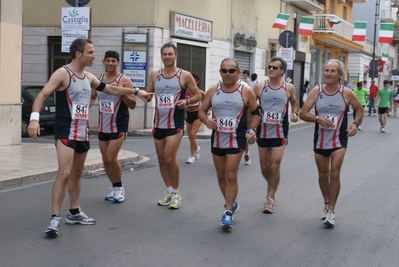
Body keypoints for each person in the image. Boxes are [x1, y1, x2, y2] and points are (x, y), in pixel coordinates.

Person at [27, 39, 141, 237]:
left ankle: (74, 212)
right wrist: (34, 120)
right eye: (90, 52)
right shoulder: (63, 73)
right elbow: (42, 95)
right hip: (65, 131)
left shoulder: (88, 77)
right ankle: (55, 218)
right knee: (64, 173)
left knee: (77, 173)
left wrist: (136, 91)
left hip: (82, 131)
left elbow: (111, 89)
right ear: (78, 54)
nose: (94, 56)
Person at [198, 58, 262, 229]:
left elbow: (257, 113)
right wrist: (206, 121)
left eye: (231, 71)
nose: (227, 74)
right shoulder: (213, 90)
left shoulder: (246, 91)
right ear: (220, 72)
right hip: (218, 138)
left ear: (238, 72)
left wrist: (253, 128)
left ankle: (227, 213)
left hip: (237, 138)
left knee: (231, 175)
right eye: (224, 71)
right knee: (220, 175)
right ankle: (231, 202)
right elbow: (201, 111)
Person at [299, 59, 363, 227]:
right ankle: (326, 203)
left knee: (334, 173)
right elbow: (302, 113)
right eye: (326, 70)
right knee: (323, 174)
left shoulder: (346, 93)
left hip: (339, 140)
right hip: (320, 139)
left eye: (332, 71)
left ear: (340, 75)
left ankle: (332, 211)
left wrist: (355, 123)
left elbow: (360, 108)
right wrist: (317, 118)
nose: (328, 73)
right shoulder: (316, 91)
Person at [144, 42, 201, 209]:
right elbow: (149, 94)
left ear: (176, 56)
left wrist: (187, 101)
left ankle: (176, 193)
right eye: (164, 54)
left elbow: (198, 95)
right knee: (162, 160)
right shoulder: (155, 75)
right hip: (158, 123)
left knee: (169, 158)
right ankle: (168, 191)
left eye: (170, 54)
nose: (167, 57)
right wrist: (143, 96)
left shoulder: (184, 75)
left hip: (174, 123)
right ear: (161, 56)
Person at [92, 50, 146, 203]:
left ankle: (120, 187)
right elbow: (92, 97)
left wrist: (121, 93)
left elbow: (133, 104)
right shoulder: (98, 79)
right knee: (105, 160)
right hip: (103, 125)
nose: (110, 63)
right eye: (108, 60)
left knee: (111, 157)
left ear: (118, 63)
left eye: (113, 61)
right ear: (104, 62)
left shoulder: (124, 80)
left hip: (119, 125)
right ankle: (114, 187)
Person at [253, 57, 299, 213]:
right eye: (269, 66)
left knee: (275, 163)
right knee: (264, 166)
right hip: (262, 129)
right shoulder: (260, 87)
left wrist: (295, 113)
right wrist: (250, 127)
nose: (271, 69)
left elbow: (295, 102)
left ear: (282, 71)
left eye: (274, 67)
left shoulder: (288, 88)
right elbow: (251, 106)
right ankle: (271, 183)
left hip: (280, 129)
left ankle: (270, 197)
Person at [185, 73, 205, 164]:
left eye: (195, 81)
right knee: (190, 137)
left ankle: (191, 156)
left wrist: (206, 109)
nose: (193, 82)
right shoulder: (185, 91)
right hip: (188, 114)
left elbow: (208, 99)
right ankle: (197, 148)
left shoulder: (199, 92)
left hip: (197, 114)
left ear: (197, 82)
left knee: (193, 134)